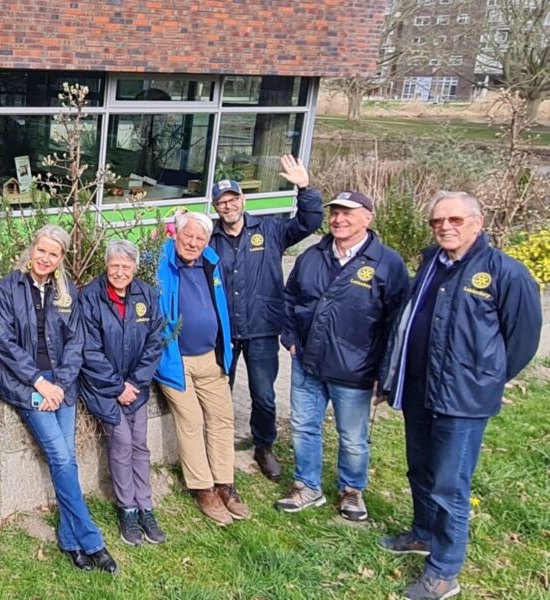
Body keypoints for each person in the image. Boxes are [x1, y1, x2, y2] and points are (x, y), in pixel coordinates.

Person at [376, 192, 542, 600]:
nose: (444, 227)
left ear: (477, 223)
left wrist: (485, 378)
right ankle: (422, 533)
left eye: (454, 220)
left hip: (462, 398)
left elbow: (522, 340)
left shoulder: (506, 273)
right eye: (437, 221)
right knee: (420, 469)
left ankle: (444, 571)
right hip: (419, 387)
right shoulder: (432, 262)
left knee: (449, 484)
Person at [0, 225, 117, 575]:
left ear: (62, 258)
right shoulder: (8, 287)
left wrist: (58, 384)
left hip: (62, 386)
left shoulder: (67, 291)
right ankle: (92, 540)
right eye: (41, 250)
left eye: (54, 253)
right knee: (61, 456)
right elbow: (5, 343)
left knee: (68, 459)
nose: (45, 258)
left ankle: (68, 538)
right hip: (25, 385)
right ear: (32, 249)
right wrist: (40, 383)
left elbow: (76, 342)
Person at [277, 191, 410, 522]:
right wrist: (290, 338)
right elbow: (289, 298)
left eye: (348, 213)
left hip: (356, 368)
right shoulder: (312, 257)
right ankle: (307, 485)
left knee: (352, 438)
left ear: (368, 218)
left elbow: (397, 322)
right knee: (304, 427)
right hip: (307, 361)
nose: (338, 219)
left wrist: (386, 371)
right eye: (335, 213)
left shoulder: (387, 264)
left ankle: (351, 490)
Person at [208, 155, 323, 481]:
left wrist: (305, 189)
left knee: (263, 394)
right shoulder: (210, 239)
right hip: (224, 331)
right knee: (221, 393)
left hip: (261, 327)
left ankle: (263, 446)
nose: (228, 206)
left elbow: (309, 223)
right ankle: (219, 447)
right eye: (222, 202)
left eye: (233, 199)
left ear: (242, 200)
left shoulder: (270, 229)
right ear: (215, 207)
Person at [154, 211, 249, 526]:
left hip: (211, 356)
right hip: (175, 359)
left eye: (200, 238)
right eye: (188, 236)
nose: (193, 243)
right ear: (176, 235)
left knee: (222, 418)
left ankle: (224, 483)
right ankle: (203, 488)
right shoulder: (161, 261)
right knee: (192, 420)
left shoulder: (210, 260)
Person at [78, 240, 166, 546]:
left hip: (136, 387)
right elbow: (89, 350)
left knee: (140, 444)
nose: (119, 272)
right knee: (123, 442)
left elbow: (155, 342)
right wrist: (117, 387)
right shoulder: (90, 297)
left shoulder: (147, 295)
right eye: (114, 265)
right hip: (104, 389)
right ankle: (127, 507)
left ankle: (146, 506)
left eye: (126, 266)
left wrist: (135, 383)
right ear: (106, 265)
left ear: (135, 268)